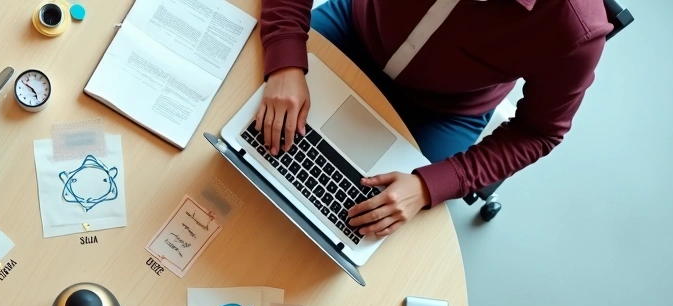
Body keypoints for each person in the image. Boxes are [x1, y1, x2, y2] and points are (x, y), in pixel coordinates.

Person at [257, 0, 611, 237]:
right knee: (246, 123)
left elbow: (539, 131)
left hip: (443, 112)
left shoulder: (576, 28)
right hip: (355, 28)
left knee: (353, 227)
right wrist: (286, 54)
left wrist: (430, 185)